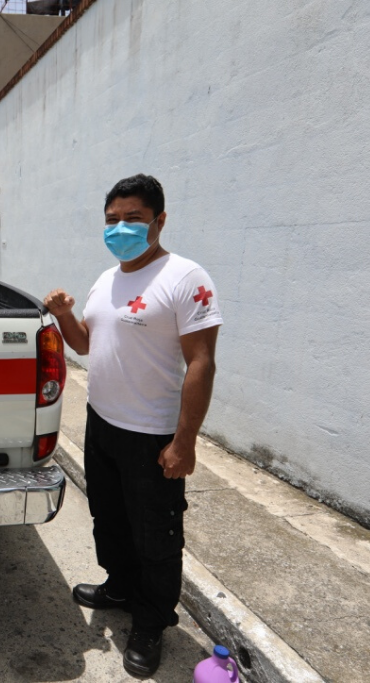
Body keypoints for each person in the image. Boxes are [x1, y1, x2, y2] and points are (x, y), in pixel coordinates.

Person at [43, 174, 222, 677]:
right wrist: (62, 315)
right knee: (110, 520)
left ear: (159, 221)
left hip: (153, 435)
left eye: (133, 219)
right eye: (112, 220)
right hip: (103, 425)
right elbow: (84, 345)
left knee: (157, 536)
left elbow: (202, 362)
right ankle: (120, 585)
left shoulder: (186, 278)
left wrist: (184, 442)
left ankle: (151, 619)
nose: (121, 228)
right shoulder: (107, 278)